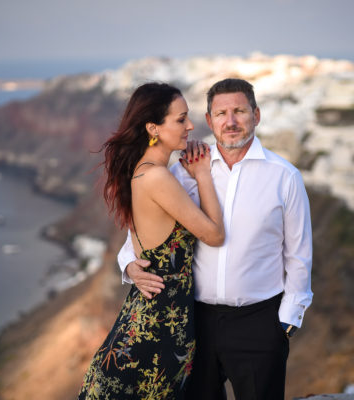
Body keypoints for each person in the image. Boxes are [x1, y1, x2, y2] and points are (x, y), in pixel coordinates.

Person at [118, 78, 313, 400]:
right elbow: (144, 229)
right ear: (209, 120)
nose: (231, 121)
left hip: (259, 322)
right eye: (221, 113)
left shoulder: (285, 177)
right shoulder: (183, 171)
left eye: (240, 111)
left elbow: (298, 253)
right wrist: (129, 265)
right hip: (193, 322)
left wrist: (287, 321)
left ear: (256, 115)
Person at [78, 82, 225, 399]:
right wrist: (202, 174)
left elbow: (145, 244)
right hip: (156, 330)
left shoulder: (147, 171)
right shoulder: (156, 177)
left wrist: (129, 266)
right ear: (153, 128)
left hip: (157, 320)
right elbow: (214, 235)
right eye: (180, 119)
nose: (190, 126)